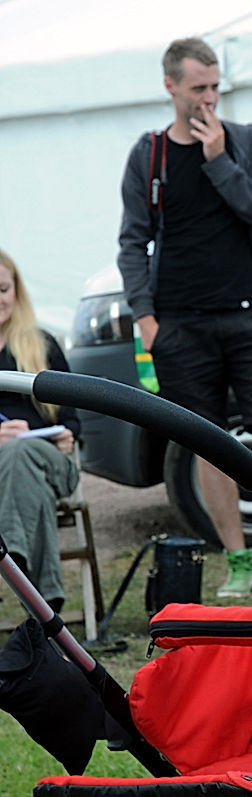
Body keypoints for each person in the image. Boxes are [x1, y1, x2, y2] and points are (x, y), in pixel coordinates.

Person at [116, 36, 252, 597]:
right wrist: (146, 319)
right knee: (207, 443)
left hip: (249, 314)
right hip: (180, 325)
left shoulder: (244, 142)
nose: (209, 100)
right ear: (170, 86)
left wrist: (219, 162)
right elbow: (132, 243)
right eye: (198, 88)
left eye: (216, 87)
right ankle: (239, 561)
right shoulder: (150, 155)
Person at [0, 248, 82, 612]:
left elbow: (73, 419)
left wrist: (66, 435)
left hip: (51, 460)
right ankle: (47, 605)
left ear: (16, 292)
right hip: (22, 480)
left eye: (2, 288)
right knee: (27, 482)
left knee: (22, 452)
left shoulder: (42, 345)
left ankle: (12, 555)